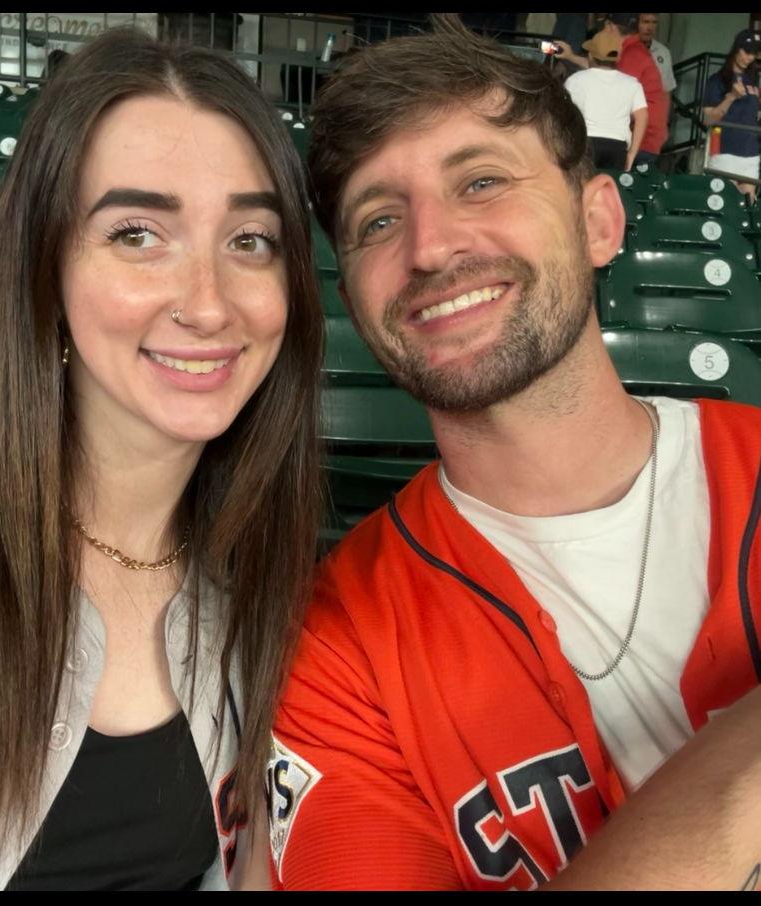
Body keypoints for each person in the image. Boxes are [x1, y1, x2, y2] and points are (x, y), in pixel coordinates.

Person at [270, 17, 761, 891]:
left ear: (599, 221)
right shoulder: (338, 650)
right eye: (378, 220)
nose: (431, 247)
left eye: (482, 181)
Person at [0, 27, 323, 890]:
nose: (209, 305)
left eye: (250, 240)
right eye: (138, 233)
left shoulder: (265, 591)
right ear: (47, 271)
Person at [557, 13, 668, 168]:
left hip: (642, 141)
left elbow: (607, 76)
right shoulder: (629, 53)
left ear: (609, 26)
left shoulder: (632, 54)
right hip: (627, 141)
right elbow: (604, 69)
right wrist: (571, 56)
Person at [565, 27, 648, 170]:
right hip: (617, 147)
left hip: (585, 142)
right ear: (618, 58)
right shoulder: (632, 84)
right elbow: (642, 117)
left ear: (590, 56)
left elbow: (564, 114)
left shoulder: (575, 80)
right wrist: (631, 154)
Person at [703, 28, 761, 204]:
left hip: (750, 152)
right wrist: (731, 97)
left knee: (748, 204)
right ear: (737, 49)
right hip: (724, 150)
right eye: (746, 51)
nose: (749, 57)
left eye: (754, 53)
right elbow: (708, 120)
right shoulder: (717, 80)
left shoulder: (754, 80)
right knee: (723, 203)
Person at [637, 13, 677, 98]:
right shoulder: (624, 48)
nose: (650, 28)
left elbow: (667, 88)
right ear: (637, 24)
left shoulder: (664, 52)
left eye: (654, 22)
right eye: (646, 22)